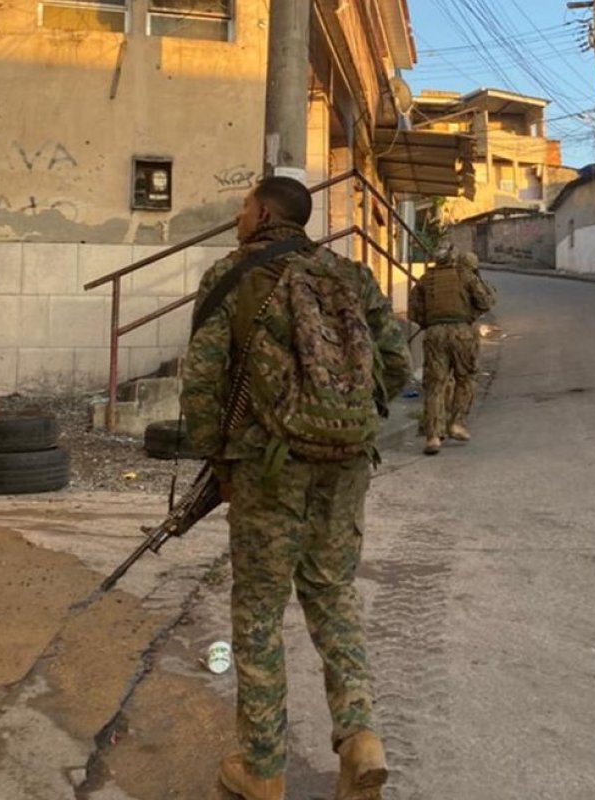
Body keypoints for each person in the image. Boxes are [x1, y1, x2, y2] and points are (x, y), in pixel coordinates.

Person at [182, 176, 410, 800]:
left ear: (260, 213)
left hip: (266, 469)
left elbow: (202, 381)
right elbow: (396, 366)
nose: (236, 215)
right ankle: (361, 738)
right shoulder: (351, 276)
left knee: (257, 611)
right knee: (332, 593)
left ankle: (262, 767)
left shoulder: (231, 276)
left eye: (241, 206)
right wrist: (340, 419)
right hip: (346, 461)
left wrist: (218, 460)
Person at [408, 247, 496, 455]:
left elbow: (414, 311)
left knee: (435, 384)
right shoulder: (464, 275)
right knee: (465, 378)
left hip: (434, 333)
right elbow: (485, 301)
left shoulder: (424, 280)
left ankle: (433, 436)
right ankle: (457, 423)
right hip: (461, 332)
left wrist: (430, 323)